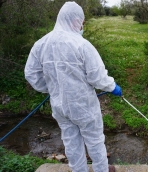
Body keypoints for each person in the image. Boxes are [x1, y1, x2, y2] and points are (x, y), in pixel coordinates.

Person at [24, 2, 121, 172]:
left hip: (60, 106)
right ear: (76, 20)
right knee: (95, 141)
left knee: (71, 142)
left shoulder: (41, 44)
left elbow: (31, 74)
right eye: (82, 22)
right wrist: (112, 87)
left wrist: (52, 88)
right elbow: (97, 77)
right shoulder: (82, 45)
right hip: (83, 107)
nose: (82, 26)